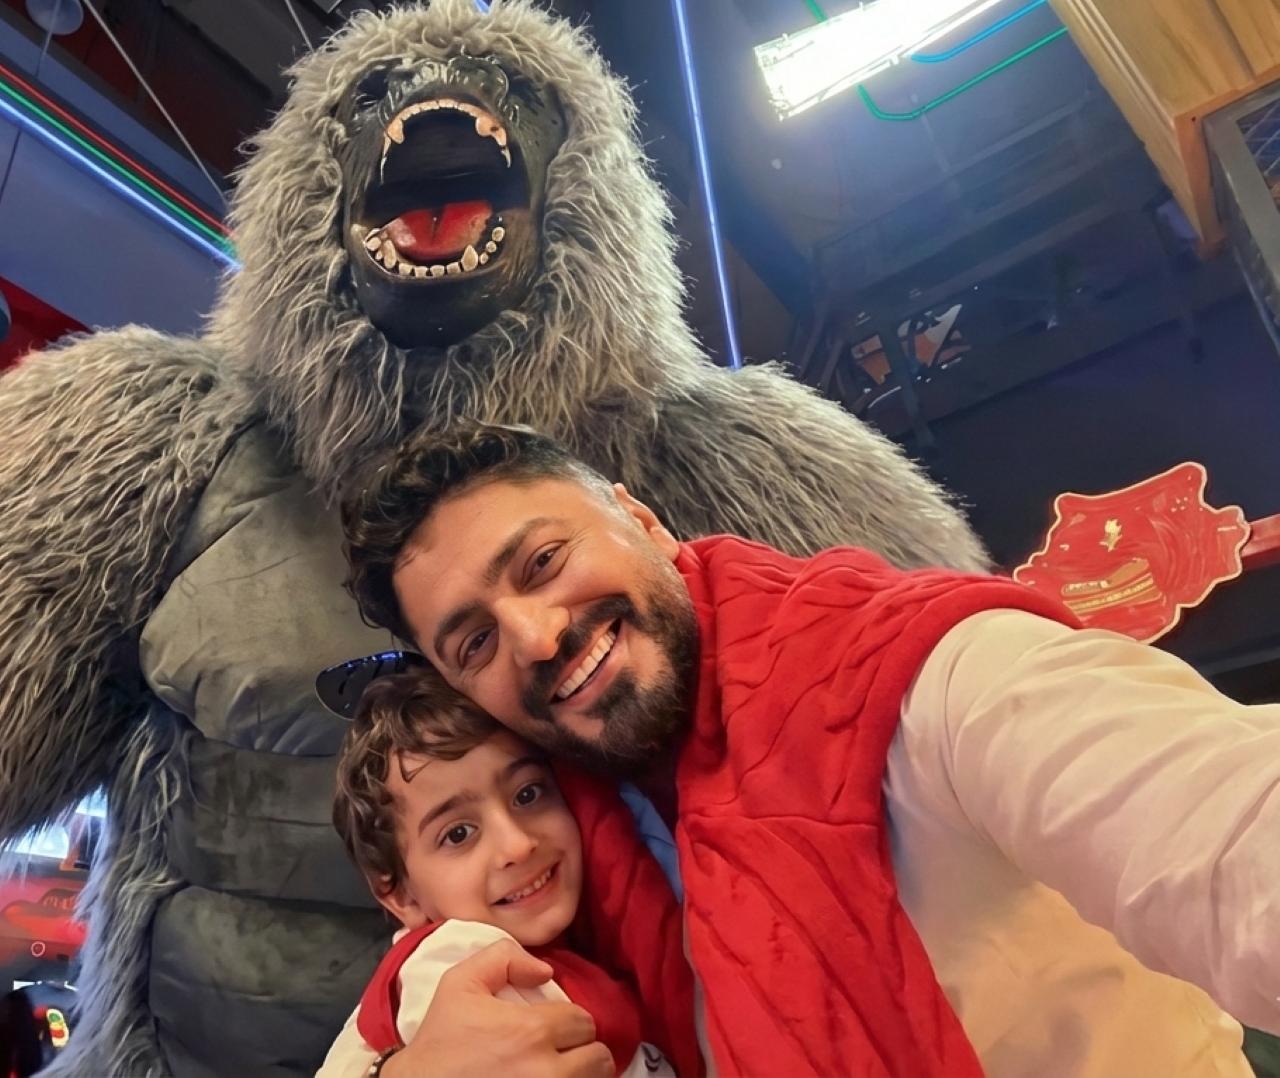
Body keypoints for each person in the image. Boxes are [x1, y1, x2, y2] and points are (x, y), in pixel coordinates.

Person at [339, 423, 1280, 1078]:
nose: (538, 636)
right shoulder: (555, 830)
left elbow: (1223, 826)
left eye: (544, 562)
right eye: (475, 642)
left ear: (644, 522)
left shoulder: (923, 676)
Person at [317, 668, 689, 1078]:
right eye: (458, 834)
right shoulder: (451, 960)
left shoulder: (577, 947)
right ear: (402, 896)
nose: (517, 845)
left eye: (527, 794)